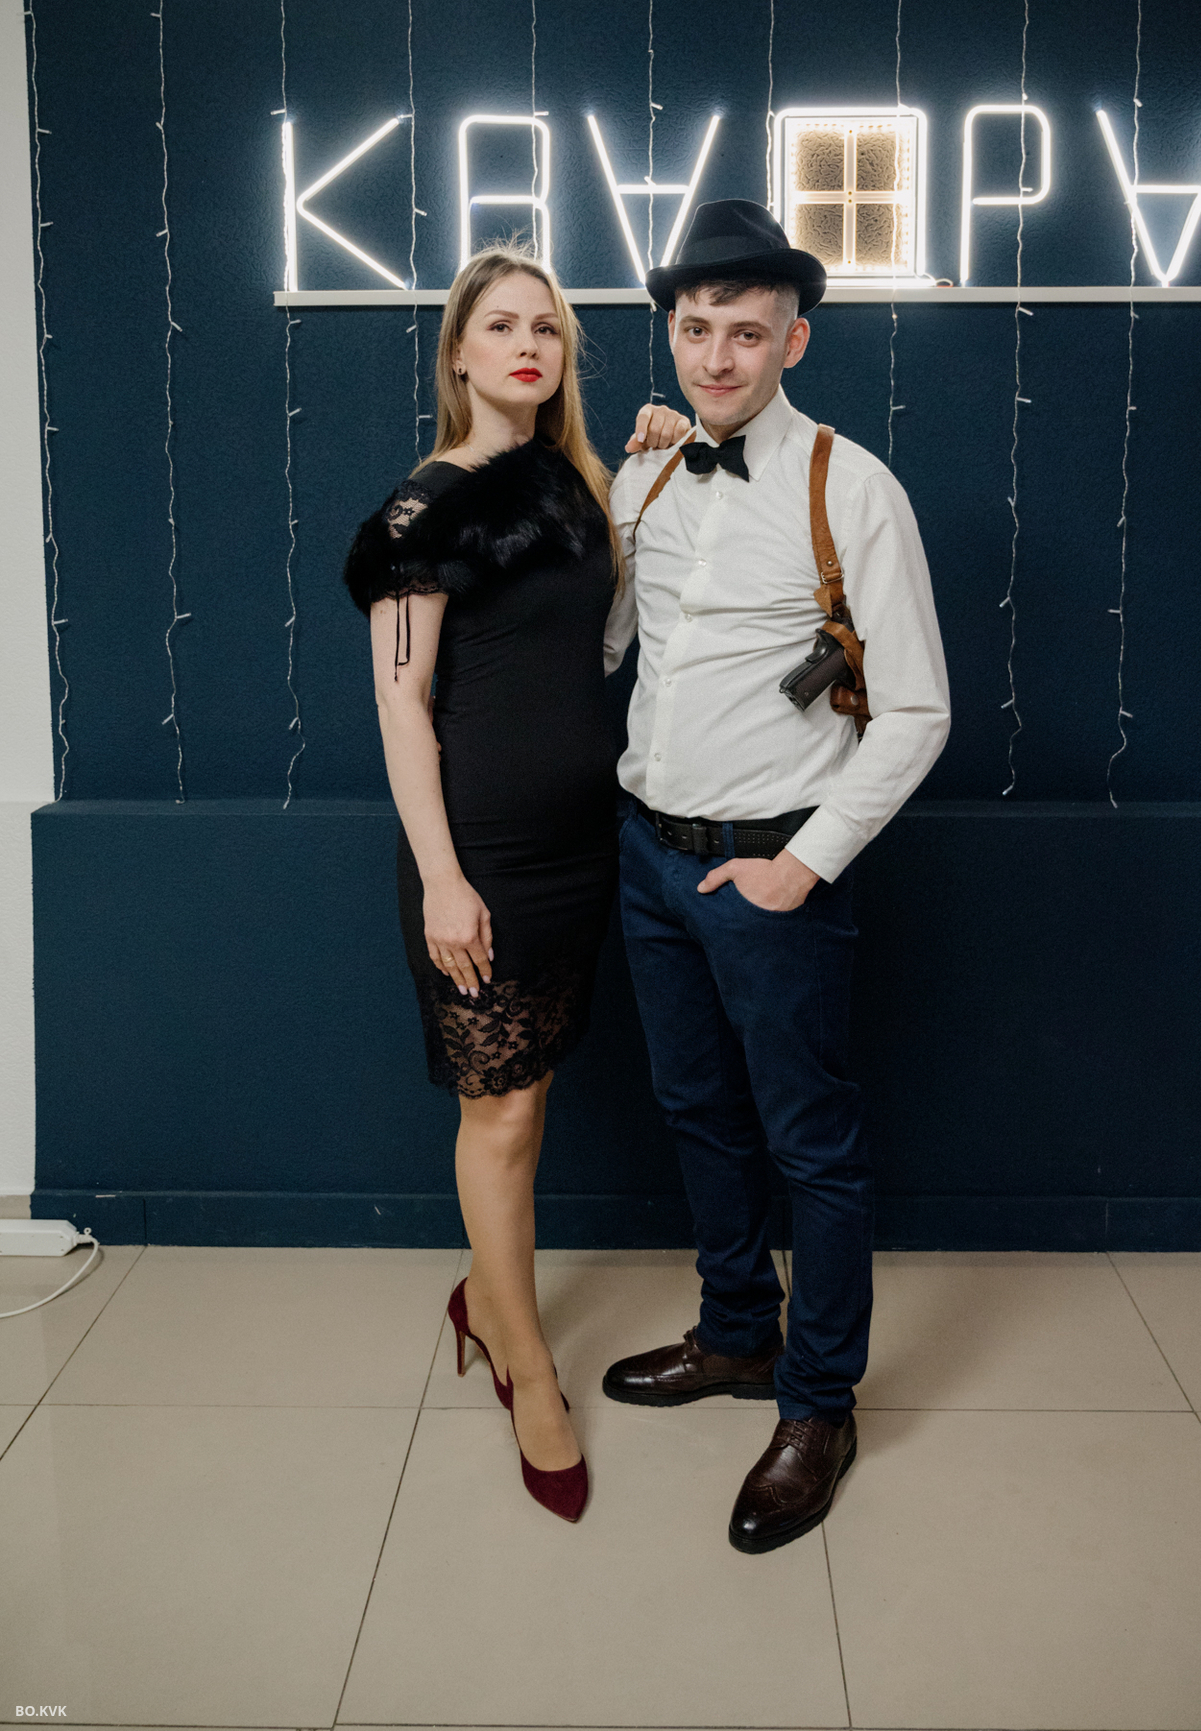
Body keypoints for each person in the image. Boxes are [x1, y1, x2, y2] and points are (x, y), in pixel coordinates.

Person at [601, 199, 950, 1553]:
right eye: (695, 329)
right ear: (671, 335)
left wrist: (800, 866)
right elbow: (612, 646)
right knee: (697, 1113)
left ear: (792, 339)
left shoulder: (850, 486)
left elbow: (915, 711)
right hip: (649, 857)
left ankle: (817, 1404)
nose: (716, 356)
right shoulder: (644, 478)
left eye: (745, 333)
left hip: (771, 868)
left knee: (813, 1144)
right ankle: (737, 1333)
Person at [344, 244, 622, 1524]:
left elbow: (600, 640)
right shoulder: (422, 511)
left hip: (579, 851)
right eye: (501, 325)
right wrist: (444, 880)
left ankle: (485, 1296)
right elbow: (402, 703)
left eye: (546, 328)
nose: (527, 345)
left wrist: (648, 468)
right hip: (481, 858)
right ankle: (524, 1364)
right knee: (498, 1117)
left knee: (531, 1099)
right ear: (457, 352)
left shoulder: (575, 485)